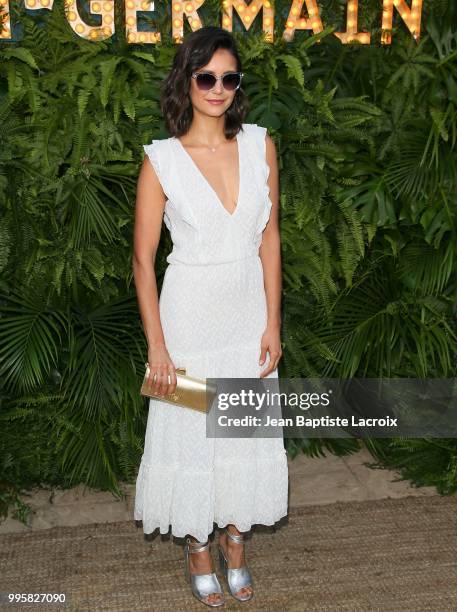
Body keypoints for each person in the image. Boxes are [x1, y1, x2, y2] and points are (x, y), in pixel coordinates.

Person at [133, 26, 289, 607]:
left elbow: (270, 238)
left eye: (229, 78)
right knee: (193, 434)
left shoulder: (259, 146)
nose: (217, 88)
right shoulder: (163, 161)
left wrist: (273, 322)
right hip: (189, 318)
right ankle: (198, 546)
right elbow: (143, 263)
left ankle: (236, 540)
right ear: (187, 80)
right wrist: (158, 347)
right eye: (206, 77)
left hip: (247, 312)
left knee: (242, 428)